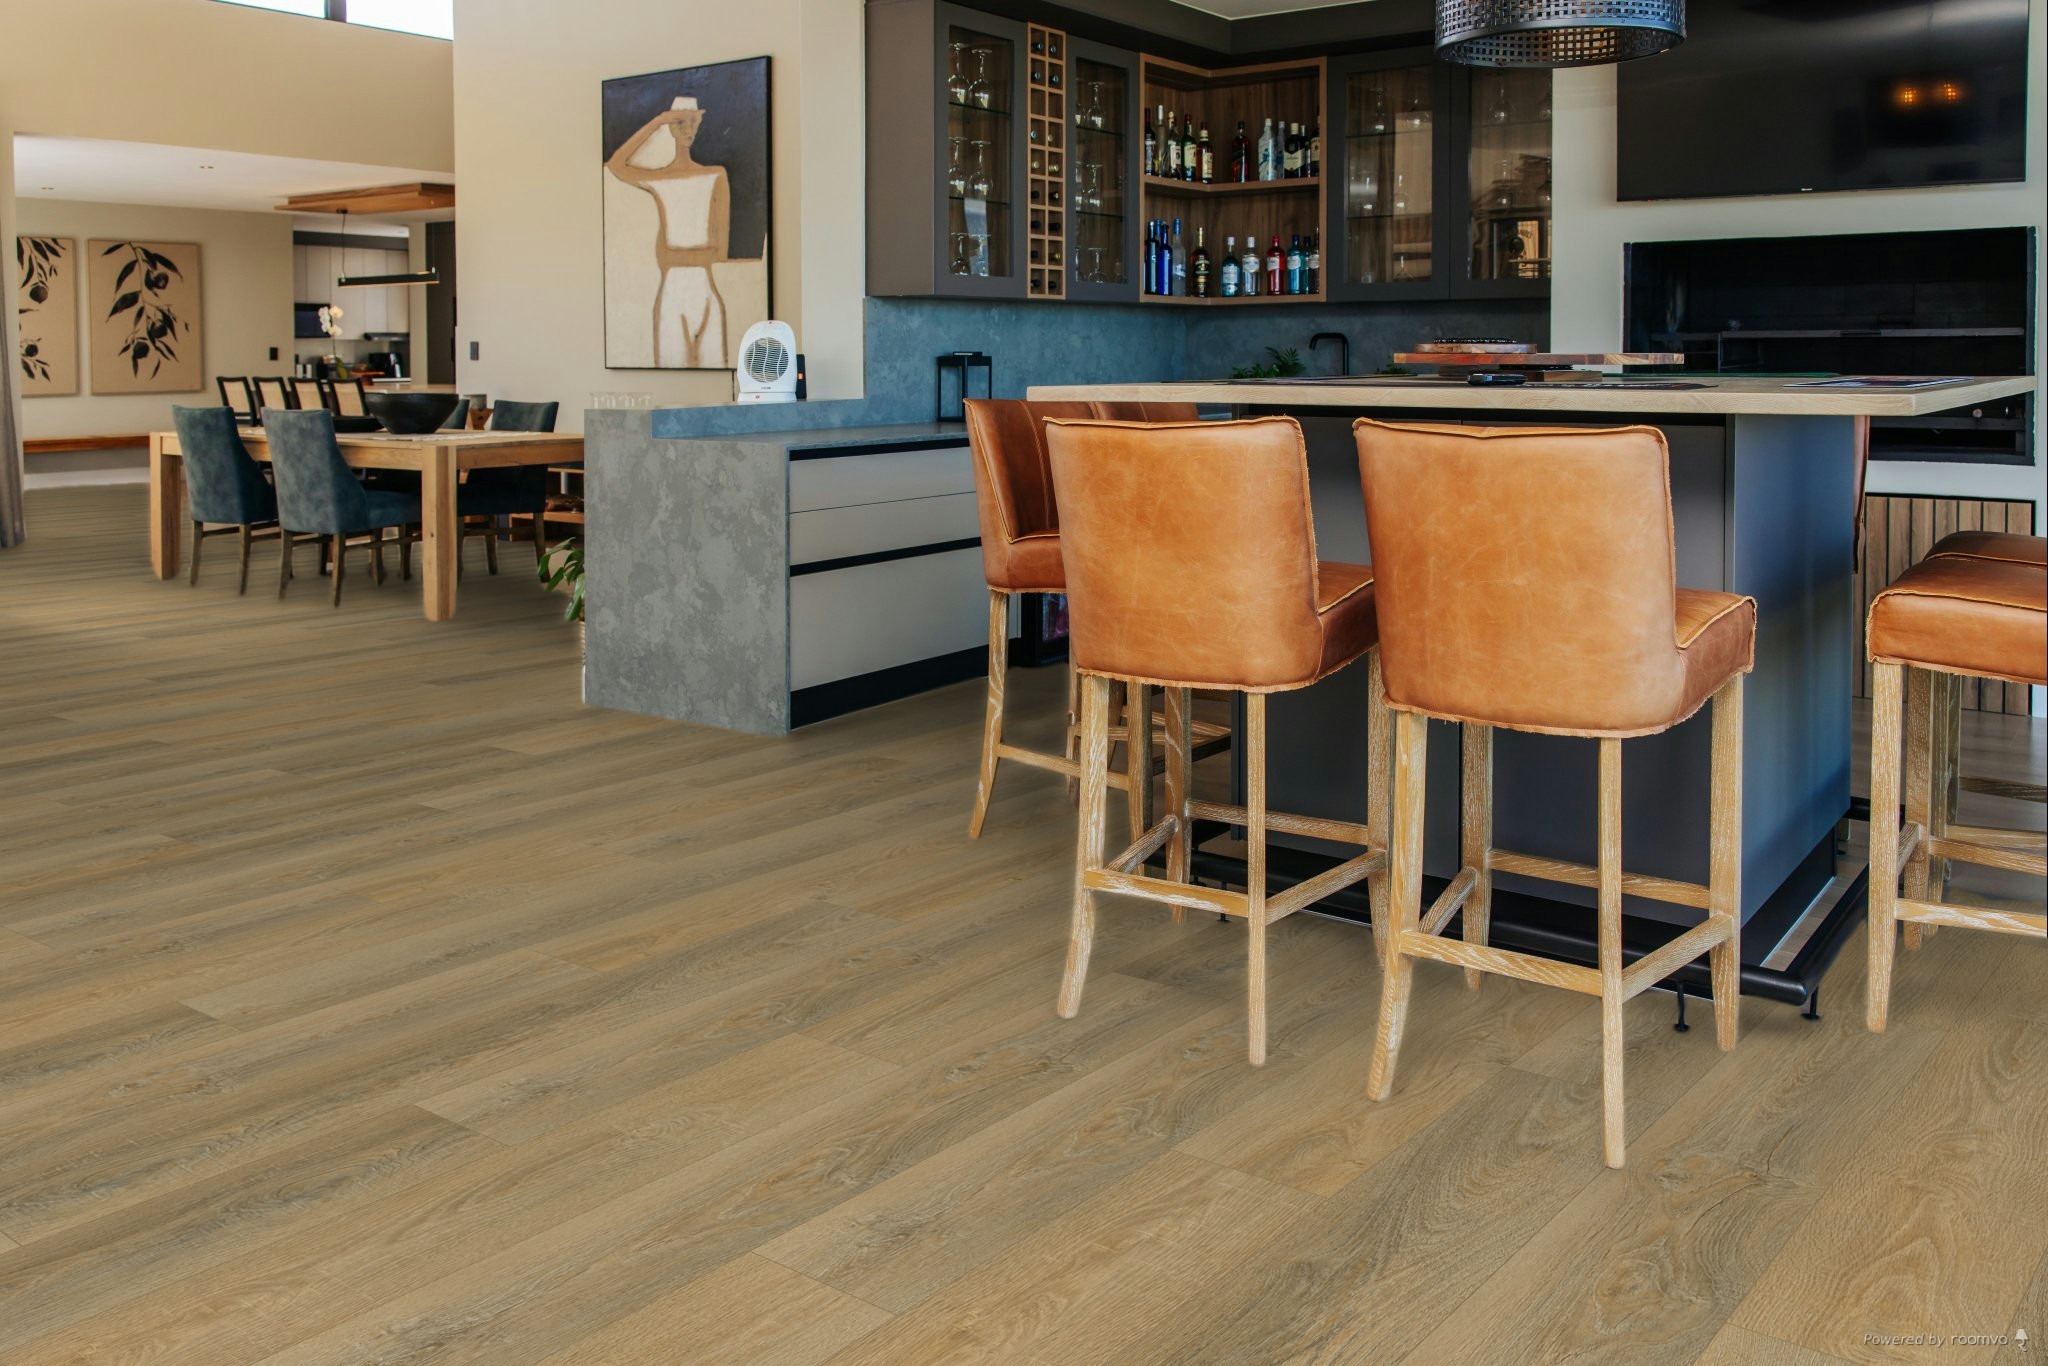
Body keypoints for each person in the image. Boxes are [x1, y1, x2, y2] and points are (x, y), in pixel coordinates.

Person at [606, 97, 732, 369]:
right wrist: (657, 122)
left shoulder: (715, 176)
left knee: (716, 377)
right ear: (671, 129)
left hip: (706, 294)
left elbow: (719, 251)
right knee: (668, 375)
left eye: (693, 122)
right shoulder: (661, 179)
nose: (688, 130)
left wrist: (670, 255)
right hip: (671, 297)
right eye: (680, 123)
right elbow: (616, 165)